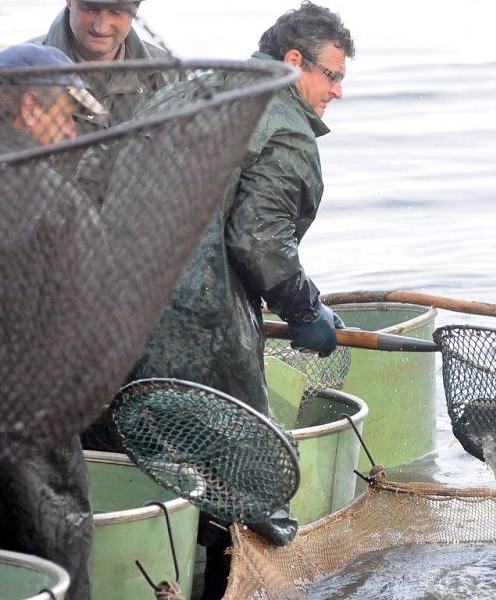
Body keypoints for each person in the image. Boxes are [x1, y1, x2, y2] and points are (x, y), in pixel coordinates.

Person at [129, 2, 355, 597]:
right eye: (330, 76)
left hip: (115, 315)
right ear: (292, 61)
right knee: (252, 482)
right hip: (198, 325)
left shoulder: (188, 91)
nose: (336, 92)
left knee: (148, 460)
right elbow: (261, 242)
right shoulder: (283, 124)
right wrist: (306, 311)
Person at [0, 43, 107, 600]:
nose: (72, 133)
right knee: (52, 564)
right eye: (66, 116)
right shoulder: (58, 202)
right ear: (31, 109)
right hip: (28, 445)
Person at [35, 0, 174, 127]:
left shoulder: (169, 74)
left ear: (136, 9)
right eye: (91, 9)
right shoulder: (22, 71)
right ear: (69, 1)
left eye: (115, 12)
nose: (101, 27)